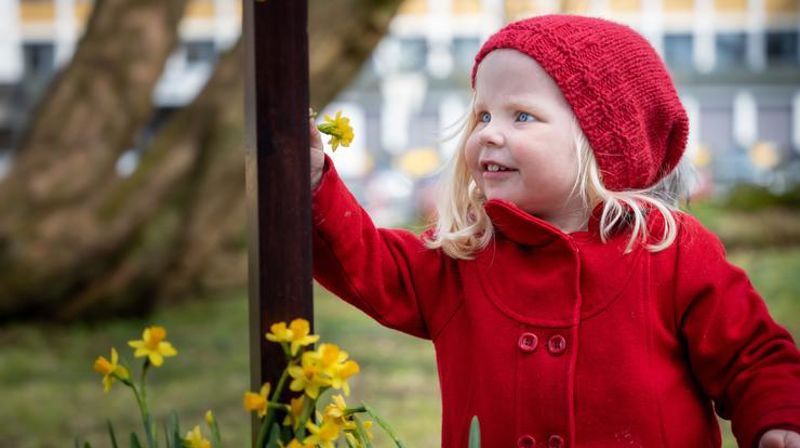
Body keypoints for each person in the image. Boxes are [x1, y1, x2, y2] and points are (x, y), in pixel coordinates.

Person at [308, 14, 800, 448]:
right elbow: (364, 260)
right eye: (482, 114)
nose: (487, 133)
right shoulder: (463, 258)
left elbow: (752, 357)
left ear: (602, 143)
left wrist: (779, 418)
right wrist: (312, 183)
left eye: (521, 115)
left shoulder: (673, 252)